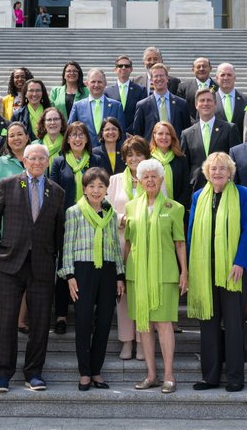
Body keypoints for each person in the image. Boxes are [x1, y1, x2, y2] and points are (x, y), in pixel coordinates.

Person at [0, 143, 66, 393]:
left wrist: (55, 257)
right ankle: (3, 374)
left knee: (41, 323)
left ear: (47, 162)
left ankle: (34, 373)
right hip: (10, 263)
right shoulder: (9, 184)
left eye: (42, 159)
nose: (38, 163)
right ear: (24, 160)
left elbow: (59, 230)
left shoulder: (57, 191)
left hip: (41, 265)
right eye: (32, 158)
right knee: (6, 321)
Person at [187, 151, 247, 393]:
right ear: (206, 172)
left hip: (233, 270)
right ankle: (211, 376)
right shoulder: (198, 196)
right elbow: (191, 232)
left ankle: (235, 377)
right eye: (213, 168)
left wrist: (240, 261)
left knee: (234, 324)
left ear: (230, 172)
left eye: (222, 168)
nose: (217, 172)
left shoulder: (243, 195)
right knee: (209, 323)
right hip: (204, 268)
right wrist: (190, 267)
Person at [123, 157, 188, 393]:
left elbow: (180, 243)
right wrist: (122, 273)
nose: (150, 180)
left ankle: (169, 374)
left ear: (162, 180)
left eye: (154, 176)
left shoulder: (175, 208)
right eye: (145, 176)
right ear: (139, 181)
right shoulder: (131, 207)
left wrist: (185, 273)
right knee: (144, 325)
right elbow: (128, 243)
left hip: (165, 274)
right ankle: (151, 374)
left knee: (163, 324)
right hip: (137, 274)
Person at [59, 168, 125, 390]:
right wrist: (69, 275)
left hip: (107, 270)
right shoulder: (74, 212)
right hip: (83, 270)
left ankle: (97, 370)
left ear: (107, 189)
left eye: (101, 186)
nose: (96, 190)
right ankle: (84, 372)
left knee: (105, 321)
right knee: (84, 322)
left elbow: (116, 246)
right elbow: (67, 245)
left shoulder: (111, 214)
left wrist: (119, 275)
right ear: (84, 189)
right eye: (91, 186)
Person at [50, 121, 105, 334]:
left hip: (93, 222)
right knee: (65, 267)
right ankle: (61, 315)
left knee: (90, 268)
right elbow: (53, 191)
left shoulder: (96, 160)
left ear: (87, 138)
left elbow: (104, 186)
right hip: (66, 222)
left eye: (81, 134)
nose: (77, 138)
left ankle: (88, 313)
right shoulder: (59, 162)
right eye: (73, 134)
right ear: (67, 139)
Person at [108, 135, 148, 360]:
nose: (134, 159)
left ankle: (143, 341)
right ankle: (126, 341)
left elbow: (163, 207)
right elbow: (105, 208)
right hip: (121, 243)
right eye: (130, 155)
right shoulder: (114, 180)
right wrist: (122, 218)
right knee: (122, 294)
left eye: (138, 154)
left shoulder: (154, 177)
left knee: (142, 295)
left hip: (146, 244)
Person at [182, 87, 237, 190]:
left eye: (209, 100)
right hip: (197, 188)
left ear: (215, 104)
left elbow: (234, 161)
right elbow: (185, 166)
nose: (205, 103)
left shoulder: (229, 129)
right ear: (196, 105)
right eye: (202, 100)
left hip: (224, 186)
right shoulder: (187, 134)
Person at [132, 63, 190, 139]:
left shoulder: (181, 103)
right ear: (151, 80)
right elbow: (138, 133)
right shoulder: (142, 105)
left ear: (167, 78)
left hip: (175, 148)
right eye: (156, 76)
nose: (159, 78)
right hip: (152, 149)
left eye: (162, 75)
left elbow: (186, 130)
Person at [69, 68, 124, 142]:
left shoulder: (116, 106)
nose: (96, 85)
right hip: (85, 151)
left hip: (109, 151)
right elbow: (70, 131)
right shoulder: (77, 106)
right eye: (93, 82)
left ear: (105, 84)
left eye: (99, 82)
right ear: (87, 84)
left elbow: (122, 133)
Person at [148, 120, 191, 208]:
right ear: (154, 136)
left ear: (172, 137)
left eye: (168, 134)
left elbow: (186, 188)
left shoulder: (181, 159)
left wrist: (174, 206)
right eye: (160, 134)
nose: (164, 137)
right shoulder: (147, 159)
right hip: (152, 209)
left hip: (176, 209)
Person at [0, 122, 30, 204]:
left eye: (20, 134)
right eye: (12, 136)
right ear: (8, 141)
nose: (16, 138)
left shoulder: (36, 162)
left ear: (27, 137)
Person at [110, 55, 146, 123]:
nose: (123, 68)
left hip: (133, 132)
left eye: (127, 66)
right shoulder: (107, 91)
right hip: (114, 131)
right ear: (115, 70)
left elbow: (141, 114)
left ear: (131, 69)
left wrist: (130, 132)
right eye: (120, 66)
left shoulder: (140, 90)